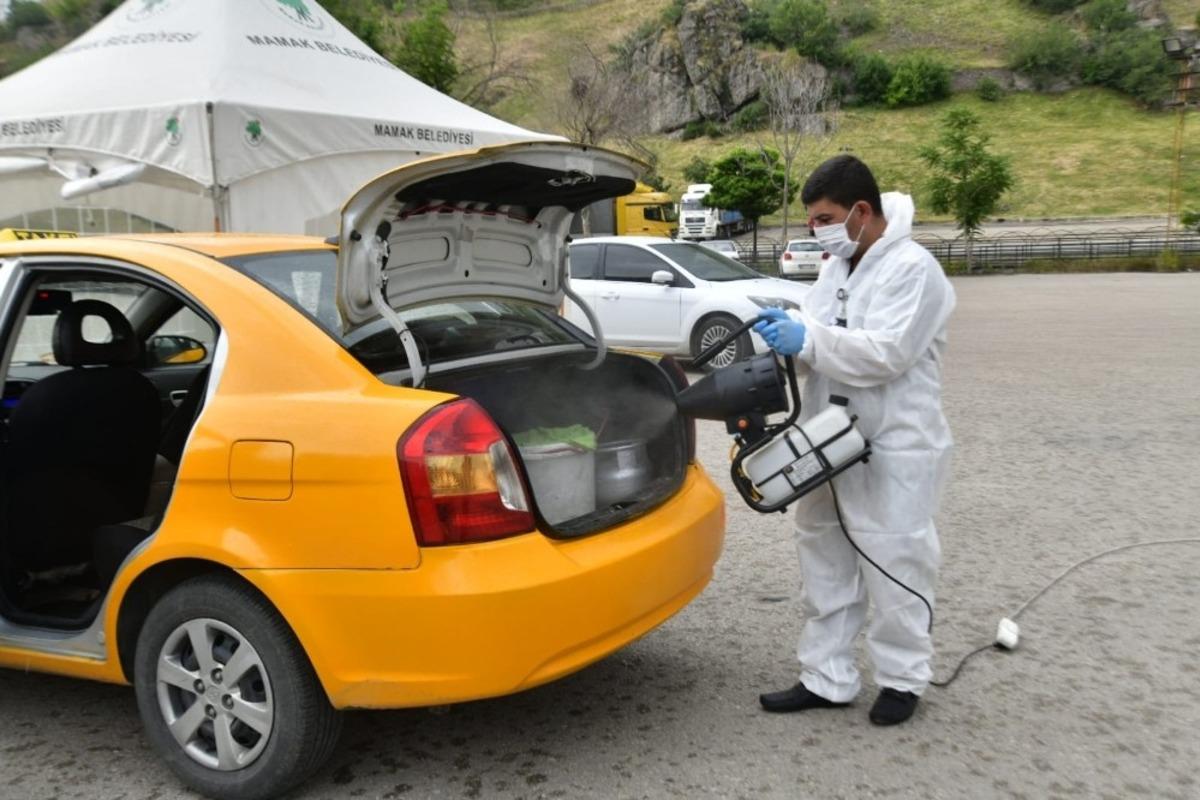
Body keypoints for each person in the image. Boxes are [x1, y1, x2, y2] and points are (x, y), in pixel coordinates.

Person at [753, 155, 956, 726]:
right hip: (826, 437)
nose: (818, 231)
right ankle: (827, 676)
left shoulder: (914, 269)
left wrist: (808, 339)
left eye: (825, 218)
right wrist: (786, 335)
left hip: (893, 443)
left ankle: (902, 678)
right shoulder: (837, 270)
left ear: (861, 212)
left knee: (895, 561)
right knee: (824, 559)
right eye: (813, 221)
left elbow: (887, 352)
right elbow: (818, 337)